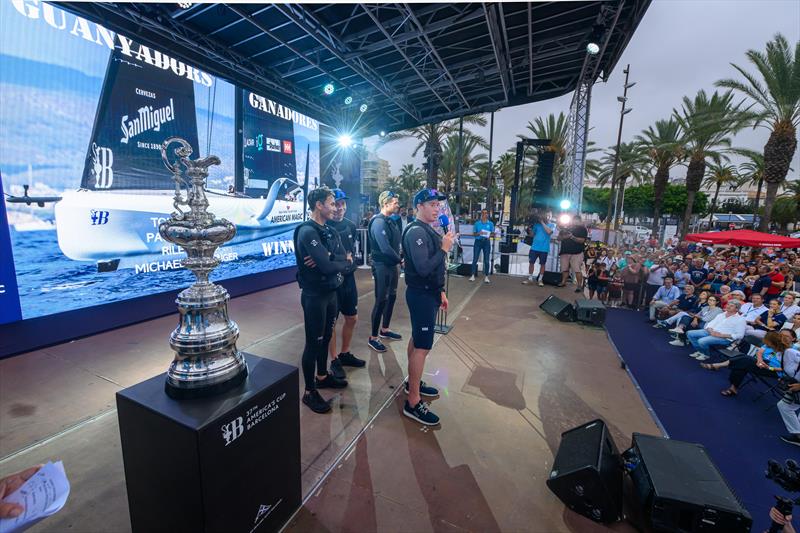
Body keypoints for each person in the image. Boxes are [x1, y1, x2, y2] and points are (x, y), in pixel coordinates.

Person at [294, 187, 353, 413]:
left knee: (327, 336)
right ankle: (309, 392)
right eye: (330, 203)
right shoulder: (307, 232)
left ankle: (322, 375)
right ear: (319, 205)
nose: (335, 207)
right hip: (314, 296)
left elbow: (345, 259)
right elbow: (331, 265)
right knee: (313, 342)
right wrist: (335, 261)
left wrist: (329, 258)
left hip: (331, 293)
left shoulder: (329, 231)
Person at [401, 188, 456, 425]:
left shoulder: (428, 230)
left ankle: (412, 383)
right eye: (432, 204)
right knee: (423, 346)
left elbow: (434, 269)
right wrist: (444, 248)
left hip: (429, 294)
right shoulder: (415, 232)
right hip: (420, 295)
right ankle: (413, 402)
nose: (437, 209)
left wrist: (440, 290)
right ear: (419, 207)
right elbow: (423, 268)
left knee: (417, 341)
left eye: (438, 205)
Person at [326, 189, 366, 380]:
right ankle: (334, 360)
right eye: (336, 204)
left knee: (352, 318)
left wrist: (346, 261)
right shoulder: (323, 227)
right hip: (332, 282)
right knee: (331, 322)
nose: (340, 208)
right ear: (330, 206)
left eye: (343, 203)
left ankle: (345, 353)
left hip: (349, 280)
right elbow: (325, 258)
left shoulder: (351, 226)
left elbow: (352, 253)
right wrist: (341, 260)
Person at [702, 331, 792, 398]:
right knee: (743, 363)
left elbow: (786, 369)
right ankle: (732, 387)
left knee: (744, 360)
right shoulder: (769, 345)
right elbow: (759, 352)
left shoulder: (789, 352)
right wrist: (759, 361)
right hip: (761, 363)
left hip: (774, 371)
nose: (783, 337)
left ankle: (720, 367)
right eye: (782, 335)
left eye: (786, 336)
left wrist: (769, 368)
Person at [367, 191, 403, 353]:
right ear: (385, 203)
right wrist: (401, 260)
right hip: (382, 265)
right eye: (395, 202)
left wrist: (399, 258)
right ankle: (373, 337)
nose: (398, 204)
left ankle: (385, 329)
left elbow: (396, 244)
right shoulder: (378, 222)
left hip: (392, 265)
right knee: (381, 299)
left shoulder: (391, 221)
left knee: (392, 297)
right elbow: (385, 248)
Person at [523, 211, 555, 286]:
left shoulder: (551, 225)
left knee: (542, 264)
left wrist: (542, 222)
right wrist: (529, 229)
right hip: (534, 247)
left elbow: (549, 232)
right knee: (531, 263)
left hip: (544, 248)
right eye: (545, 215)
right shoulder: (536, 225)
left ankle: (540, 280)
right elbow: (532, 235)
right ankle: (530, 279)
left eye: (548, 216)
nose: (546, 217)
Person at [558, 215, 587, 292]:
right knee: (564, 269)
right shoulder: (566, 228)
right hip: (565, 252)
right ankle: (563, 282)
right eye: (574, 220)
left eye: (577, 220)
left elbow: (582, 240)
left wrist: (571, 236)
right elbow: (559, 238)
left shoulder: (582, 229)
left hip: (576, 252)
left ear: (580, 221)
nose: (575, 221)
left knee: (577, 270)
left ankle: (579, 286)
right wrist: (563, 236)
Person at [470, 209, 494, 284]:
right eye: (483, 213)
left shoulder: (490, 224)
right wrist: (479, 233)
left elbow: (493, 234)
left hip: (486, 242)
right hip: (478, 242)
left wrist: (488, 235)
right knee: (475, 259)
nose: (484, 214)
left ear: (487, 214)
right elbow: (474, 234)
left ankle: (486, 276)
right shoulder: (477, 223)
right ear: (481, 214)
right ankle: (472, 275)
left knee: (487, 260)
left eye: (486, 213)